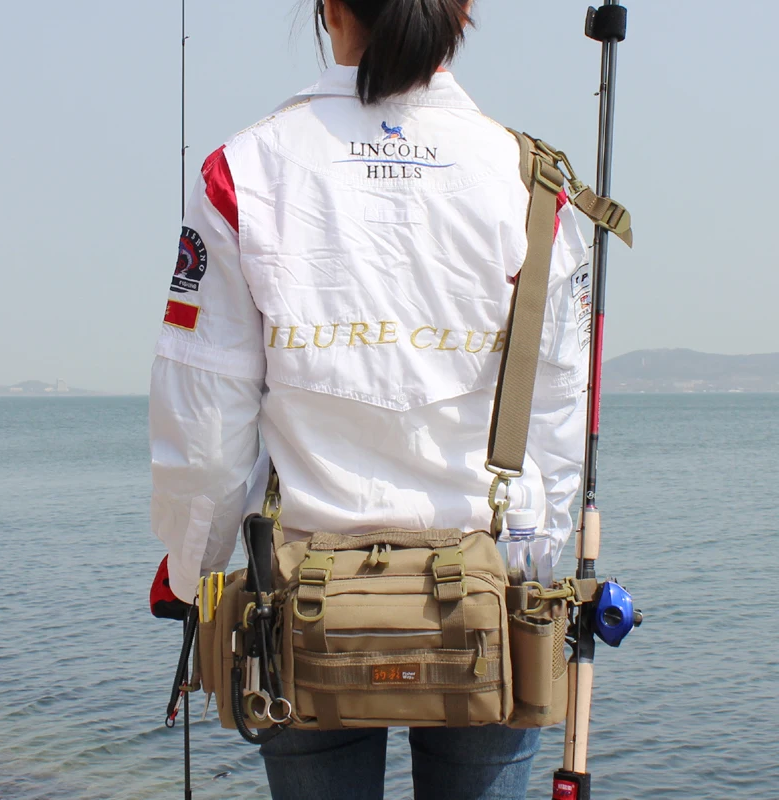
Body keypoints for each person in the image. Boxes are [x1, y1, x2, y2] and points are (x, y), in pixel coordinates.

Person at [149, 0, 590, 797]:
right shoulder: (535, 184)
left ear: (328, 7)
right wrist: (535, 568)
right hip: (491, 602)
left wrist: (190, 573)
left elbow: (207, 426)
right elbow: (559, 414)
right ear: (463, 10)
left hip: (304, 606)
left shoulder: (242, 172)